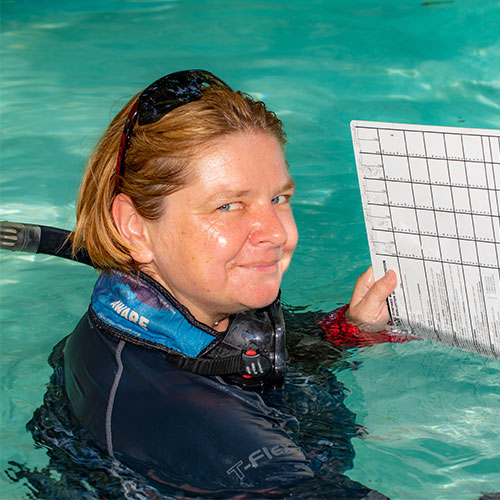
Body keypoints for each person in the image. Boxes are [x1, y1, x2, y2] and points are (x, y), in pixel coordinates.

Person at [18, 70, 399, 498]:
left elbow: (254, 355)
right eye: (228, 206)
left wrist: (351, 330)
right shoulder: (193, 421)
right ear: (135, 228)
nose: (276, 232)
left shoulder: (163, 318)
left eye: (278, 198)